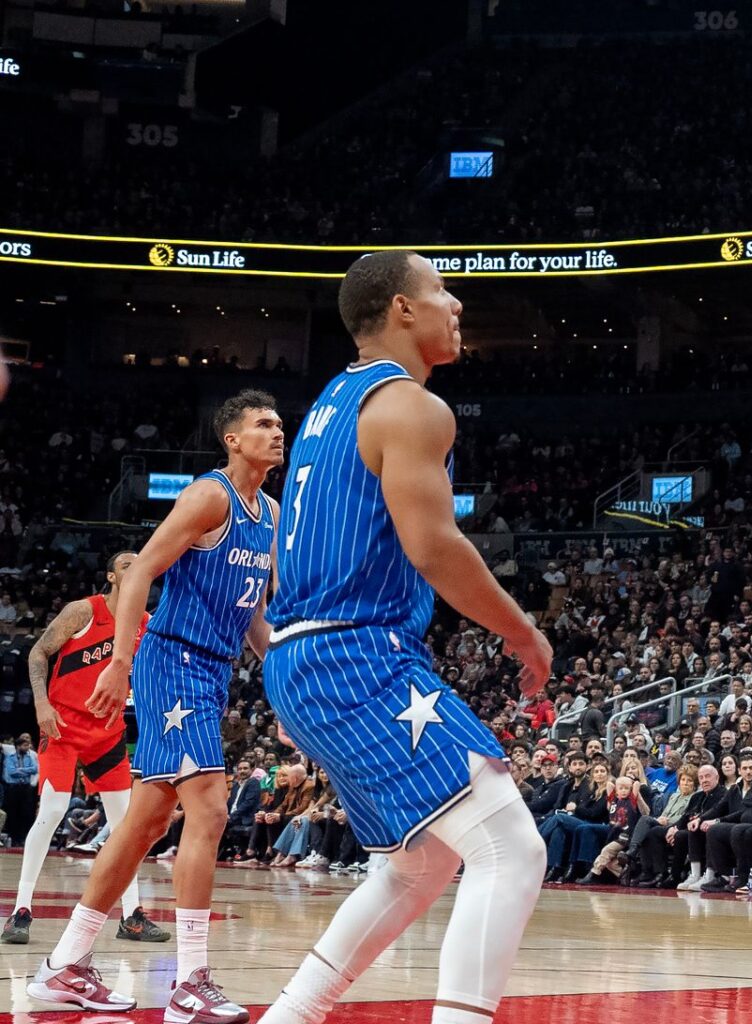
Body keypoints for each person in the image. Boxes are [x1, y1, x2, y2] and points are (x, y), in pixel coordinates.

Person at [256, 251, 553, 1024]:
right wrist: (522, 633)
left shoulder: (330, 403)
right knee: (510, 848)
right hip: (357, 653)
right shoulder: (413, 407)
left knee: (416, 866)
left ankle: (290, 1015)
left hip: (304, 656)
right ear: (401, 309)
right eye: (441, 291)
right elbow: (434, 547)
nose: (457, 305)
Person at [30, 390, 284, 1021]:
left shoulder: (271, 514)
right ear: (232, 438)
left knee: (143, 823)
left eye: (280, 423)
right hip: (173, 661)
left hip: (211, 670)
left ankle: (65, 964)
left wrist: (282, 679)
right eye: (263, 423)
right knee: (212, 809)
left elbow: (253, 610)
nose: (277, 432)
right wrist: (120, 662)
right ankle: (191, 979)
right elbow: (140, 571)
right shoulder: (210, 495)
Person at [5, 551, 168, 945]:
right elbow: (38, 651)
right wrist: (42, 704)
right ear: (111, 576)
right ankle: (20, 911)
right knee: (54, 809)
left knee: (127, 825)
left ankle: (131, 917)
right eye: (127, 565)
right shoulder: (84, 611)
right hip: (62, 725)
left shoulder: (146, 625)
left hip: (108, 732)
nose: (136, 569)